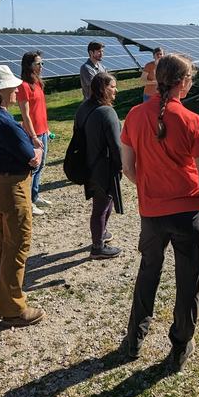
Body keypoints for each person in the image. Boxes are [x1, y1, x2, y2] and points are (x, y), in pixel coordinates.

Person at [121, 54, 199, 371]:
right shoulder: (194, 122)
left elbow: (128, 169)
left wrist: (149, 188)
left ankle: (134, 339)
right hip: (189, 212)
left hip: (152, 212)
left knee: (148, 272)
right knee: (188, 281)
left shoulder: (134, 115)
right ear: (184, 82)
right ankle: (180, 344)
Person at [0, 65, 43, 328]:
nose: (17, 90)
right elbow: (31, 159)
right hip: (11, 187)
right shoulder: (5, 121)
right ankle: (14, 309)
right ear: (0, 91)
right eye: (12, 86)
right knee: (17, 245)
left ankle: (0, 301)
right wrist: (37, 151)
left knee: (3, 243)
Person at [73, 72, 123, 259]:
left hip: (88, 164)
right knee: (101, 206)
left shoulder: (84, 107)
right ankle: (97, 247)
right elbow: (116, 146)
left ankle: (101, 233)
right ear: (103, 89)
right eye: (112, 86)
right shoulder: (107, 112)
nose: (115, 90)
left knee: (104, 202)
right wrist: (121, 166)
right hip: (104, 168)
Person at [16, 51, 51, 216]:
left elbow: (40, 109)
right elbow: (26, 115)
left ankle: (35, 195)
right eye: (38, 63)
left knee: (41, 165)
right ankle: (28, 202)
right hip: (33, 134)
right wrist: (34, 136)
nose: (41, 66)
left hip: (43, 130)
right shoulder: (23, 86)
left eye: (41, 63)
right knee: (33, 168)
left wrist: (46, 128)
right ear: (29, 66)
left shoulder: (37, 83)